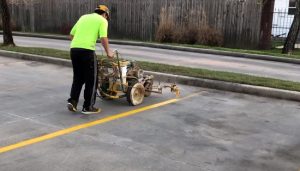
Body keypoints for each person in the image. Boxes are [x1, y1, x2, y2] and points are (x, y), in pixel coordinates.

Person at [67, 5, 114, 114]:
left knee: (78, 77)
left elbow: (71, 34)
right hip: (87, 52)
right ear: (105, 14)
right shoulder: (102, 20)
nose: (107, 19)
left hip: (74, 50)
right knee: (92, 80)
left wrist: (80, 42)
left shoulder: (83, 17)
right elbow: (103, 38)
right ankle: (88, 107)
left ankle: (73, 102)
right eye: (107, 17)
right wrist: (108, 52)